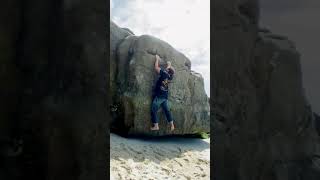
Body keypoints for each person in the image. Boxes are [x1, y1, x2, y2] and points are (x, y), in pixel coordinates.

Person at [150, 54, 175, 131]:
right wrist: (169, 65)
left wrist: (157, 59)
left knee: (153, 110)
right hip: (165, 96)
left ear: (167, 70)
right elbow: (169, 70)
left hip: (159, 96)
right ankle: (172, 125)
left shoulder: (164, 73)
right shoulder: (170, 76)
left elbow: (156, 68)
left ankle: (156, 126)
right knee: (167, 111)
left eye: (167, 68)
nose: (166, 69)